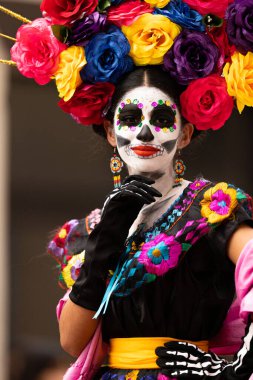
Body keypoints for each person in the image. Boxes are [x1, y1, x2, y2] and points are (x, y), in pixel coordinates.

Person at [2, 0, 253, 378]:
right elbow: (72, 341)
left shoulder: (212, 210)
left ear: (185, 133)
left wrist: (237, 365)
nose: (145, 133)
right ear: (109, 131)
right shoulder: (90, 230)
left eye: (163, 118)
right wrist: (107, 238)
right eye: (131, 118)